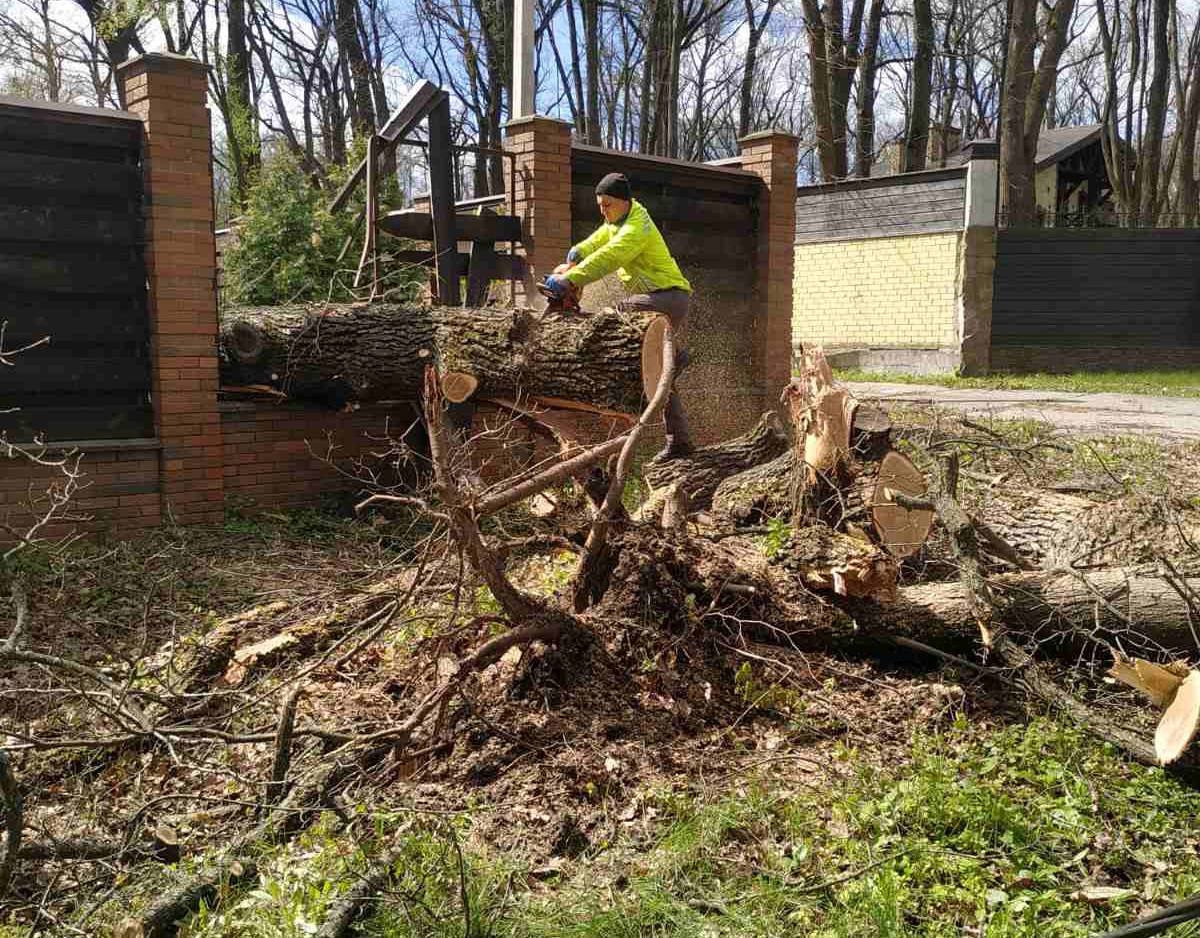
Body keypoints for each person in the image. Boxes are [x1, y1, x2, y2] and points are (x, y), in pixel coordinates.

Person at [542, 172, 695, 460]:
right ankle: (680, 440)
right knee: (663, 375)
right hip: (657, 297)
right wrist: (578, 252)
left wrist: (571, 278)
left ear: (625, 202)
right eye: (600, 205)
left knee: (613, 316)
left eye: (607, 205)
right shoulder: (617, 220)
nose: (603, 210)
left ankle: (676, 356)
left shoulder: (636, 228)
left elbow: (611, 255)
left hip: (668, 297)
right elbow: (598, 241)